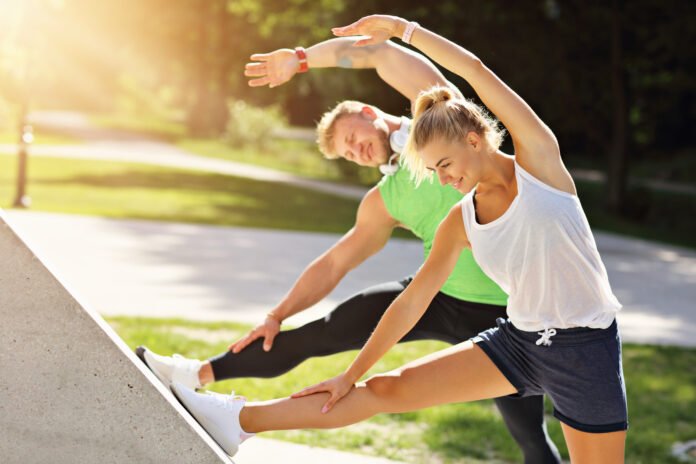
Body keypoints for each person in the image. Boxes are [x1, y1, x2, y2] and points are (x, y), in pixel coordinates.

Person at [141, 28, 573, 462]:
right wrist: (277, 315)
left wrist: (301, 59)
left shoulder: (444, 123)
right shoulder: (384, 200)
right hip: (434, 297)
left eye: (351, 138)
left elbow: (380, 53)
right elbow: (335, 264)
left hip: (505, 310)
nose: (355, 151)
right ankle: (194, 374)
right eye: (347, 155)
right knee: (320, 332)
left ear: (369, 113)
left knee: (529, 435)